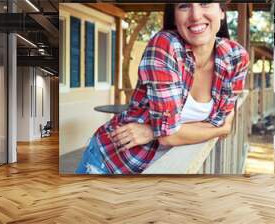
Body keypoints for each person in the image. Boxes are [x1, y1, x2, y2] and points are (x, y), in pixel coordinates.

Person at [75, 3, 249, 174]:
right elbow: (171, 136)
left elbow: (217, 119)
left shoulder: (235, 58)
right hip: (111, 162)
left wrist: (153, 131)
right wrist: (221, 130)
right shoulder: (165, 45)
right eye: (184, 5)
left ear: (222, 11)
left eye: (205, 2)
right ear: (174, 15)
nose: (195, 15)